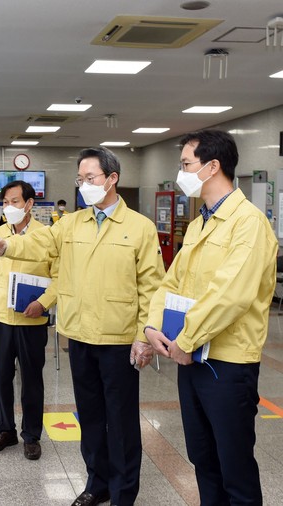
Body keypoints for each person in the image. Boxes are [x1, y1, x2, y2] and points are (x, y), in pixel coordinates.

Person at [0, 147, 165, 506]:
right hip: (78, 335)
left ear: (112, 179)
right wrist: (6, 245)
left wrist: (145, 336)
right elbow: (39, 241)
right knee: (89, 417)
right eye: (80, 179)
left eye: (90, 178)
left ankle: (123, 493)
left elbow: (153, 289)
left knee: (120, 421)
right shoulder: (71, 224)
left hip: (119, 338)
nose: (84, 185)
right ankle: (97, 483)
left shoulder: (140, 227)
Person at [143, 129, 278, 505]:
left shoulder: (248, 223)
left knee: (233, 465)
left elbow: (229, 295)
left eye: (186, 164)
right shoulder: (201, 222)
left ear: (213, 166)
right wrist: (152, 325)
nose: (181, 172)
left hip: (226, 363)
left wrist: (184, 341)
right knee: (203, 458)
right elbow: (172, 282)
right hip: (192, 359)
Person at [0, 180, 57, 461]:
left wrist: (43, 303)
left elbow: (59, 277)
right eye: (5, 202)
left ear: (30, 204)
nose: (8, 207)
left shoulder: (46, 236)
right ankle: (5, 430)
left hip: (31, 320)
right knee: (2, 377)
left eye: (14, 202)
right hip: (1, 317)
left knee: (32, 379)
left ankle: (31, 435)